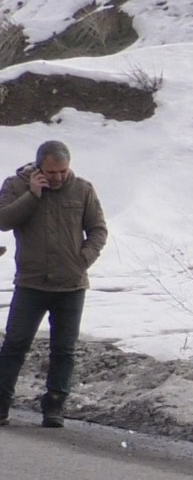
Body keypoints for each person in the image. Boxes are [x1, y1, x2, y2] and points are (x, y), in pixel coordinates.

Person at [0, 140, 108, 427]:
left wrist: (82, 260)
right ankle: (1, 405)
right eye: (52, 172)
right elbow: (3, 221)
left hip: (71, 286)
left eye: (63, 171)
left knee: (64, 349)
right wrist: (33, 196)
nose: (58, 177)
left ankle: (54, 407)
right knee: (15, 344)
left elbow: (98, 229)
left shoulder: (82, 189)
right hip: (31, 283)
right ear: (38, 168)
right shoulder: (15, 185)